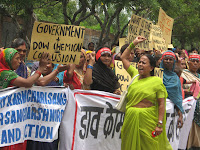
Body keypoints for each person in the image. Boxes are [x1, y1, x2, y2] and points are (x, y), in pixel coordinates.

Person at [120, 36, 172, 150]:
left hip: (148, 121)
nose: (140, 65)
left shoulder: (157, 82)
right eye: (139, 62)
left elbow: (162, 104)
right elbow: (123, 57)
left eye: (144, 63)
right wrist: (133, 43)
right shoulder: (135, 75)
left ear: (151, 67)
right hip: (131, 118)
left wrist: (159, 124)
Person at [0, 48, 49, 150]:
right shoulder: (5, 73)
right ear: (8, 59)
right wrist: (39, 70)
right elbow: (27, 83)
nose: (19, 61)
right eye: (17, 58)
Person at [160, 50, 184, 127]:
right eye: (166, 59)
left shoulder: (176, 78)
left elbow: (178, 97)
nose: (168, 61)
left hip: (170, 113)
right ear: (162, 60)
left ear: (174, 62)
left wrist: (180, 115)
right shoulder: (156, 74)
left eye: (171, 59)